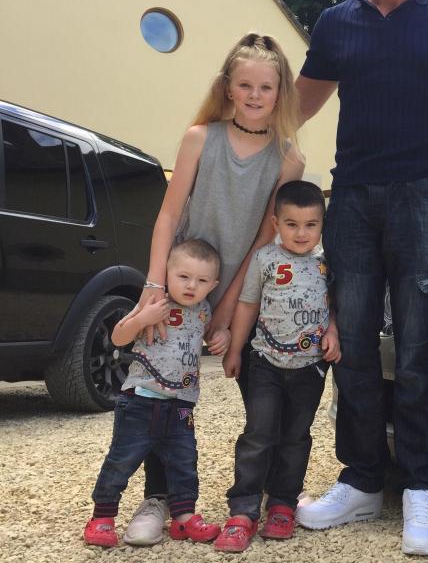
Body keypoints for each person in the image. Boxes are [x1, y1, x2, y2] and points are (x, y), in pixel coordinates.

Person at [293, 0, 428, 556]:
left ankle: (422, 488)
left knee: (421, 348)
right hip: (352, 202)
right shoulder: (336, 24)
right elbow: (295, 110)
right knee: (355, 349)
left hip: (425, 198)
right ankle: (364, 477)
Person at [123, 33, 305, 546]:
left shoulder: (288, 159)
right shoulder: (201, 137)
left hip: (244, 293)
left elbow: (261, 243)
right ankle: (159, 499)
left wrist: (226, 314)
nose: (253, 95)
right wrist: (154, 287)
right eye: (244, 84)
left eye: (264, 87)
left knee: (262, 400)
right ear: (228, 87)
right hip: (179, 285)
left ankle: (266, 498)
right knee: (163, 393)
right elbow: (169, 213)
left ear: (280, 92)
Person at [213, 180, 342, 552]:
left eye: (310, 224)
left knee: (296, 436)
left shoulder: (325, 262)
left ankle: (284, 502)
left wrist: (334, 330)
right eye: (291, 224)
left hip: (310, 367)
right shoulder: (265, 260)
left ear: (321, 224)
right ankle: (243, 509)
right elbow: (248, 305)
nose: (301, 233)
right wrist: (234, 349)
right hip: (266, 363)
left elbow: (333, 304)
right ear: (275, 222)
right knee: (258, 433)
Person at [83, 240, 222, 548]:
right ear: (167, 273)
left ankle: (184, 517)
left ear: (213, 285)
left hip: (183, 406)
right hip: (140, 400)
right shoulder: (154, 301)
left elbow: (210, 334)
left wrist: (221, 335)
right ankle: (102, 517)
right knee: (122, 459)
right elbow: (119, 337)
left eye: (201, 281)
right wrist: (142, 319)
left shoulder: (204, 310)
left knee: (185, 460)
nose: (191, 286)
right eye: (183, 276)